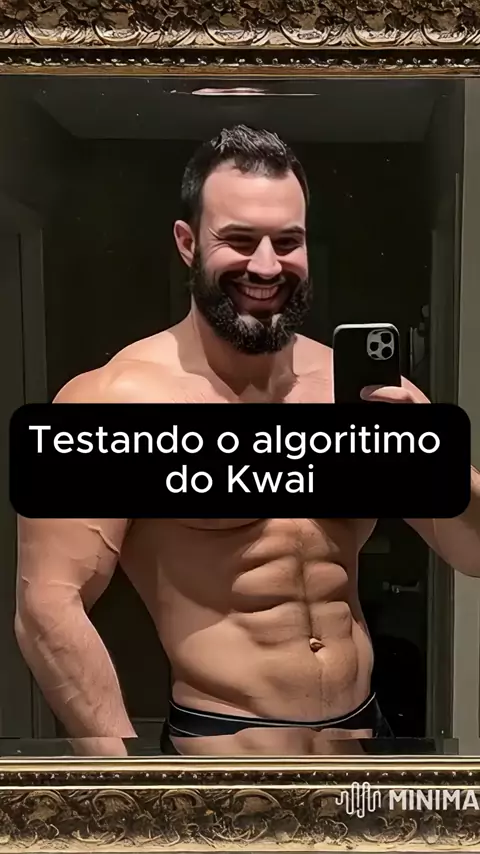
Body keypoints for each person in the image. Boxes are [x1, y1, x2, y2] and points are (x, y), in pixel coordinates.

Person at [15, 125, 480, 757]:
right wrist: (123, 782)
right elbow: (48, 606)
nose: (266, 266)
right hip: (224, 758)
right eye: (238, 240)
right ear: (187, 243)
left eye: (287, 242)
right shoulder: (114, 401)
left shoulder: (361, 392)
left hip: (363, 744)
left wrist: (437, 459)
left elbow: (472, 552)